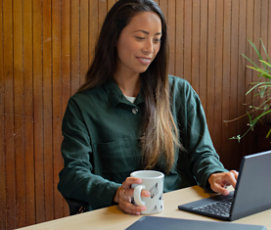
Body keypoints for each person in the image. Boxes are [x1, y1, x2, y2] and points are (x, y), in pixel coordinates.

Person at [58, 0, 238, 215]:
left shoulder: (180, 92)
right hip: (118, 217)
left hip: (180, 213)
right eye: (140, 38)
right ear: (114, 37)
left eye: (156, 40)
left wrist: (214, 174)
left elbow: (203, 153)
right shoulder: (84, 106)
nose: (149, 48)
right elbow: (73, 175)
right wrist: (116, 193)